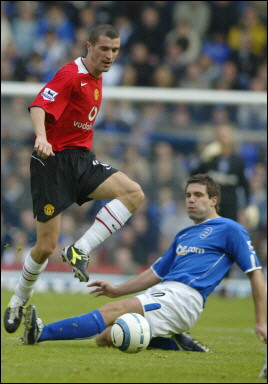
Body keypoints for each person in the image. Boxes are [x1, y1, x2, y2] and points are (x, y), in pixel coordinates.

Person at [21, 174, 267, 354]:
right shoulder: (183, 235)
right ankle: (176, 345)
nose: (191, 200)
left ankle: (41, 332)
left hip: (185, 299)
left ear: (214, 200)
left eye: (198, 195)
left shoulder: (230, 229)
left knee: (112, 312)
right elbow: (155, 273)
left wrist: (261, 320)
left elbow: (255, 274)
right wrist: (118, 289)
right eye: (188, 195)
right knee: (107, 337)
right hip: (164, 292)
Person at [4, 23, 144, 334]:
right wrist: (41, 137)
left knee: (133, 193)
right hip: (51, 163)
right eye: (104, 49)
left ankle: (80, 249)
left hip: (81, 161)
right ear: (89, 47)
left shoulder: (97, 77)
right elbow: (40, 104)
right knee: (45, 246)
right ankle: (18, 300)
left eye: (115, 50)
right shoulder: (71, 74)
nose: (109, 55)